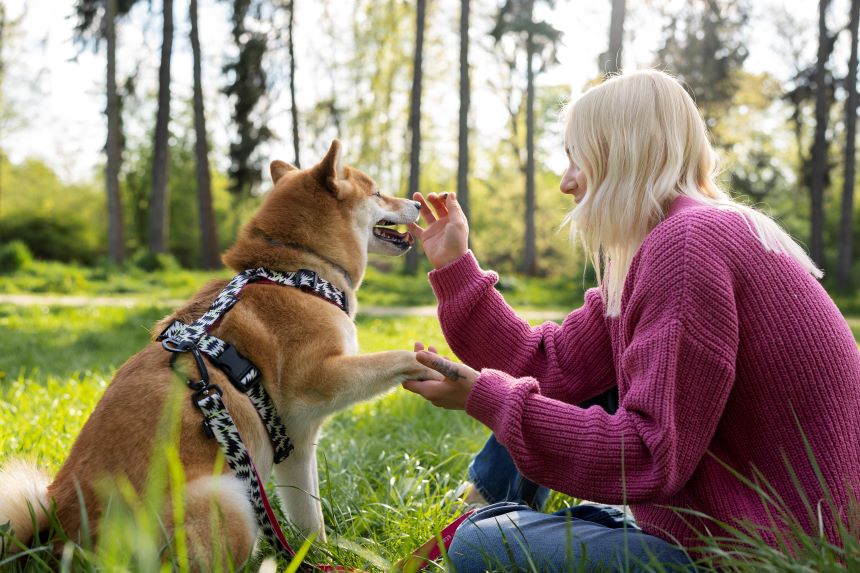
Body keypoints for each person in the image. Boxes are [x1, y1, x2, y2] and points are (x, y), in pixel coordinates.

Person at [401, 69, 860, 573]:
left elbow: (648, 454)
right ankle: (491, 508)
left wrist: (485, 397)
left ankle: (485, 517)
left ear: (620, 152)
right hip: (741, 524)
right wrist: (455, 264)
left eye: (577, 158)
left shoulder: (686, 246)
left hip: (762, 555)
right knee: (504, 509)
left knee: (477, 545)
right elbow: (547, 364)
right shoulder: (677, 238)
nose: (566, 182)